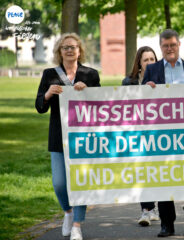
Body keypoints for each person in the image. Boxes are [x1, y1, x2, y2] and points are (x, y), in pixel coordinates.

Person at [35, 33, 100, 240]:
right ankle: (68, 213)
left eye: (73, 47)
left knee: (80, 182)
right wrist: (47, 94)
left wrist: (87, 91)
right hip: (58, 136)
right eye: (65, 47)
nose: (70, 50)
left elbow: (101, 107)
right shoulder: (49, 74)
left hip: (83, 138)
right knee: (60, 183)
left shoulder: (90, 74)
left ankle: (78, 226)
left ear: (80, 50)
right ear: (59, 51)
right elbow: (39, 106)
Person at [142, 29, 184, 237]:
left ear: (179, 45)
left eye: (173, 45)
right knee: (164, 177)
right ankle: (167, 224)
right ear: (161, 47)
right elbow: (141, 100)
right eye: (165, 46)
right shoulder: (151, 70)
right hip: (161, 135)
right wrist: (147, 88)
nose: (169, 49)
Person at [122, 46, 160, 226]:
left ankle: (156, 207)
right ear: (139, 63)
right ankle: (146, 210)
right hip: (137, 134)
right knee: (141, 170)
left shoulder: (162, 79)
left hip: (159, 134)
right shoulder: (128, 82)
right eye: (146, 60)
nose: (149, 63)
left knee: (156, 171)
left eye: (152, 59)